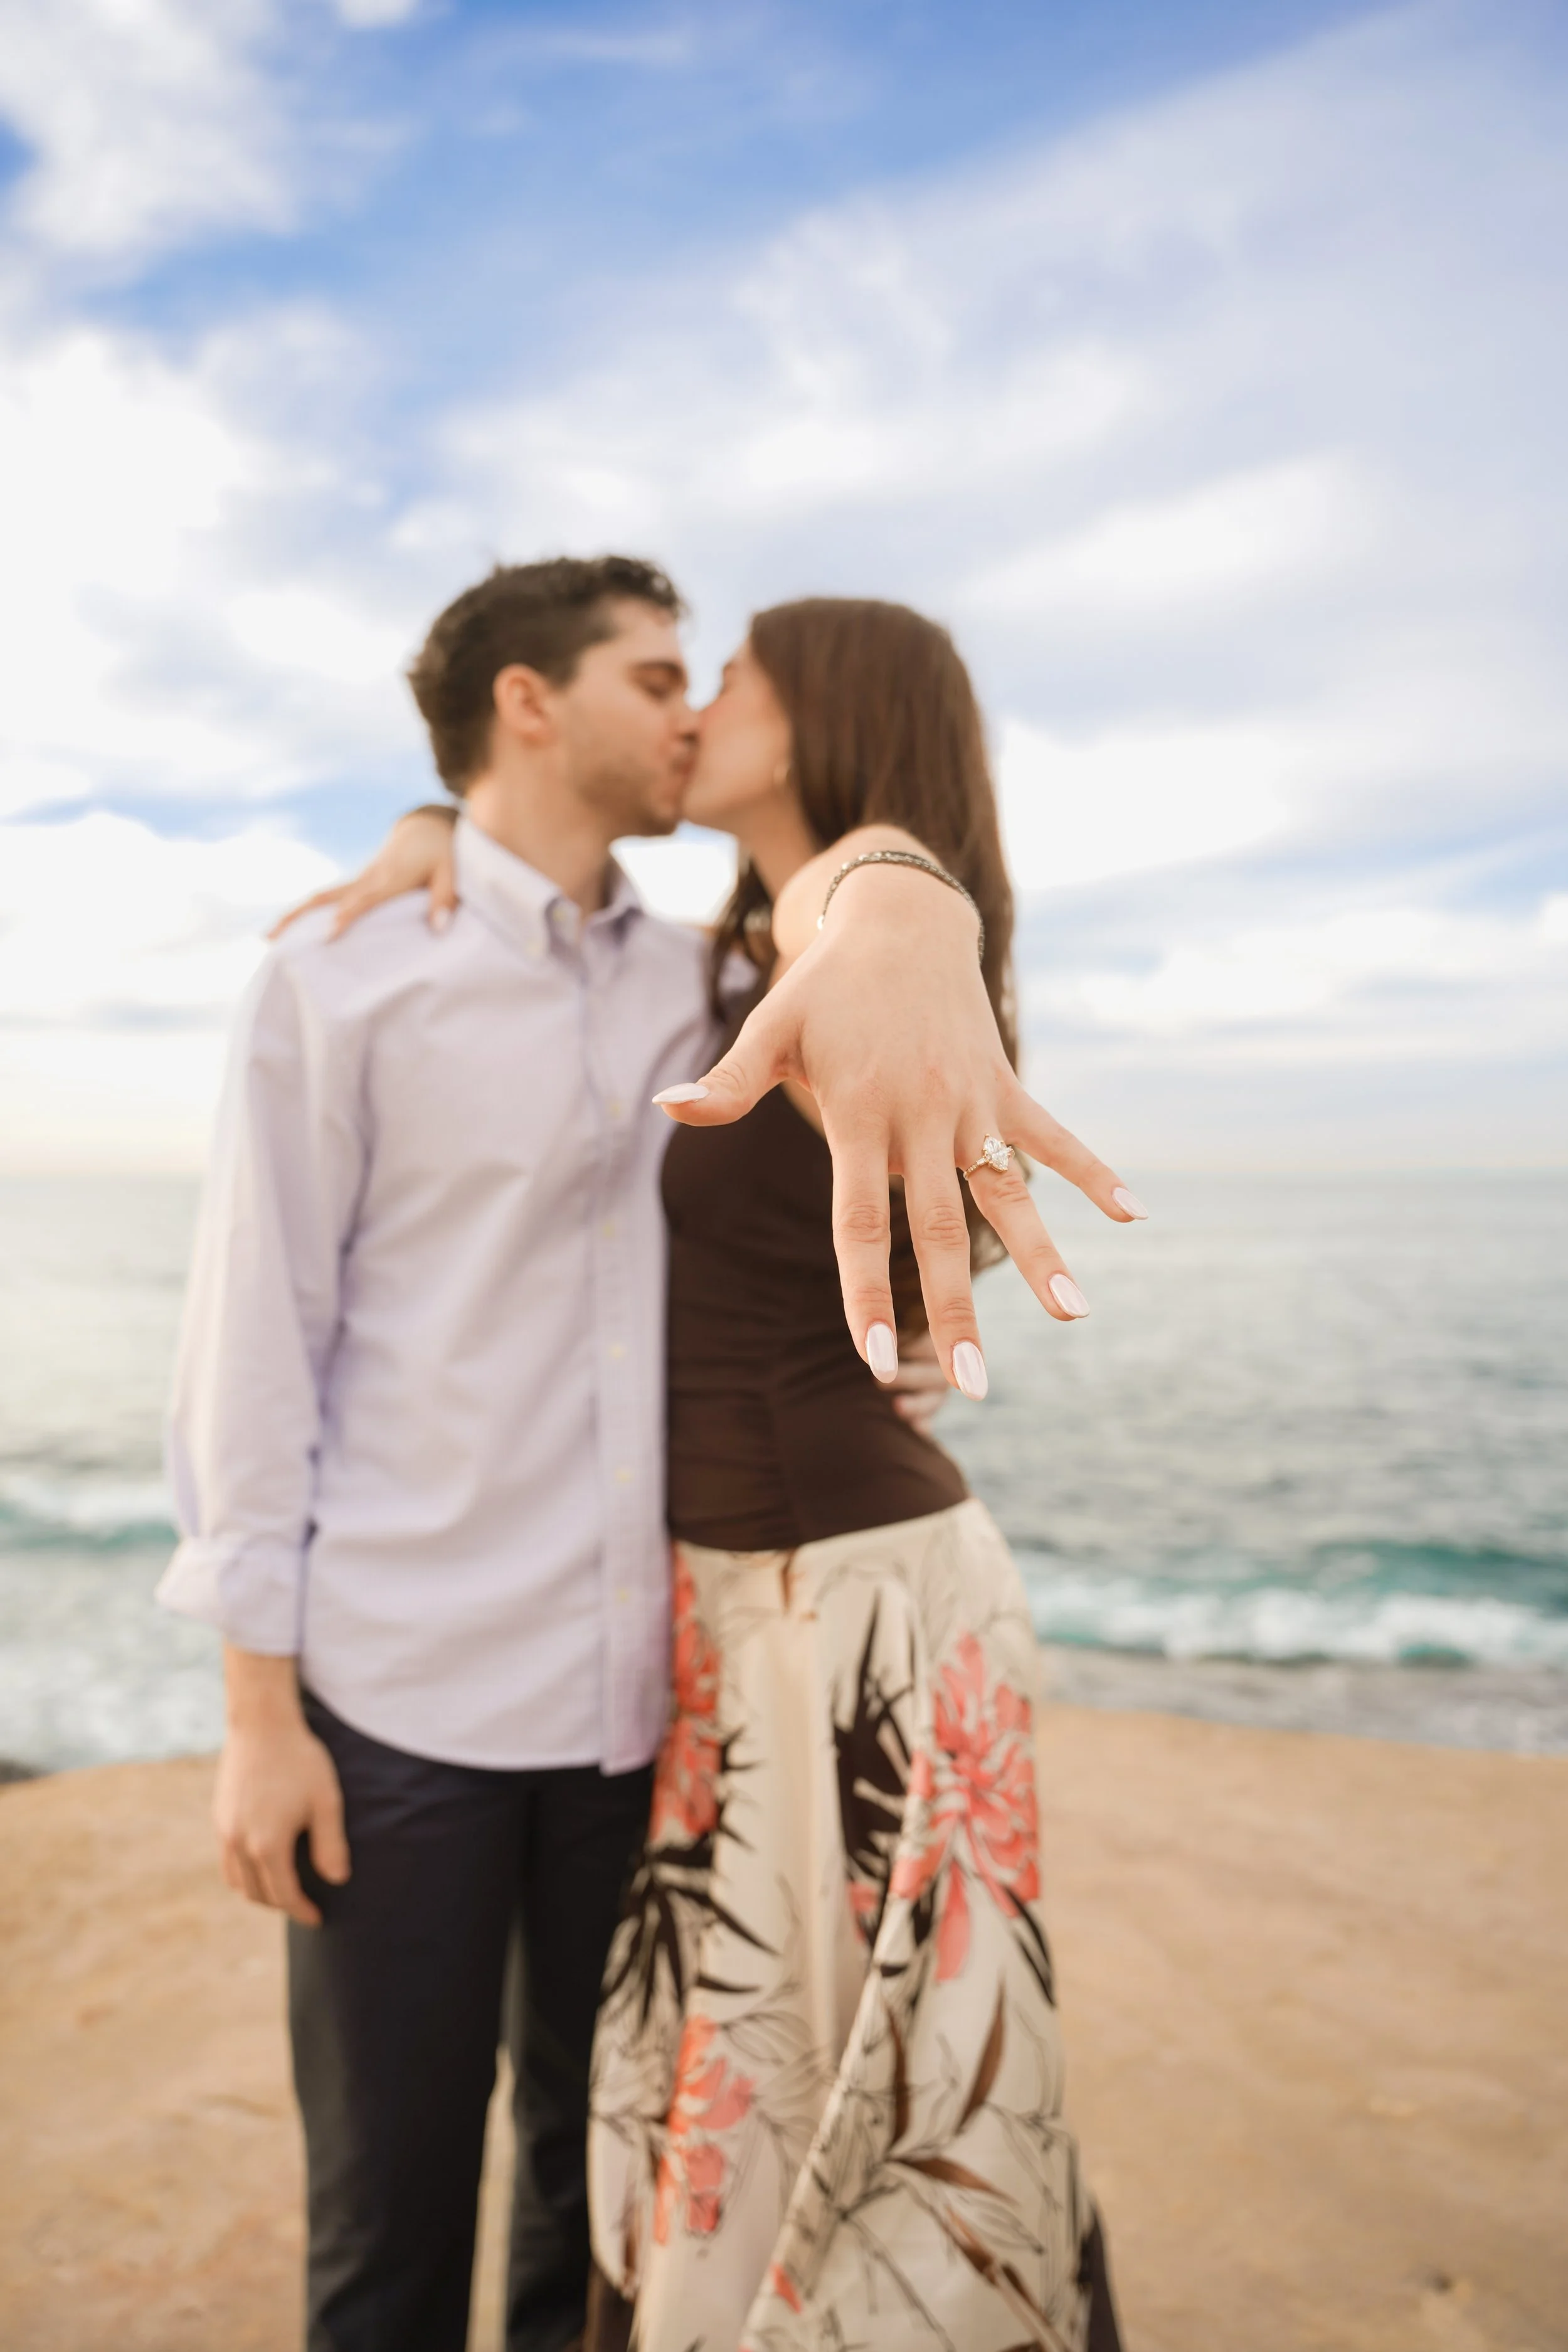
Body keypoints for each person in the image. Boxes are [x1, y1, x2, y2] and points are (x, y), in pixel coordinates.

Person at [161, 558, 1138, 2352]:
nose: (692, 713)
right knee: (404, 2217)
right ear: (531, 706)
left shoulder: (766, 967)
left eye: (723, 679)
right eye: (660, 676)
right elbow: (253, 1346)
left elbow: (878, 905)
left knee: (626, 2179)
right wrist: (255, 1709)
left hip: (703, 1676)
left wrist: (915, 905)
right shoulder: (382, 970)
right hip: (450, 1693)